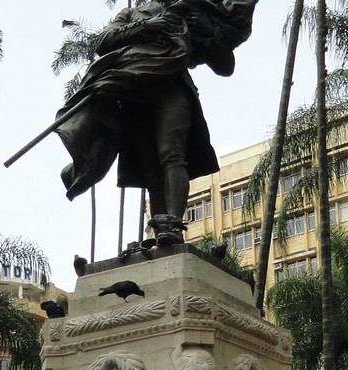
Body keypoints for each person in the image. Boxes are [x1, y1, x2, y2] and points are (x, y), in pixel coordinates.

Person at [53, 0, 258, 247]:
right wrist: (150, 25)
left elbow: (226, 66)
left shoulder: (191, 7)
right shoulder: (132, 13)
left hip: (173, 86)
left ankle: (172, 224)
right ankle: (162, 232)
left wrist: (208, 29)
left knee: (172, 154)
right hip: (135, 95)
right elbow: (103, 42)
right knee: (151, 172)